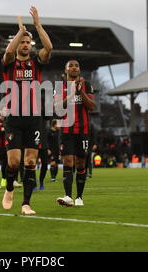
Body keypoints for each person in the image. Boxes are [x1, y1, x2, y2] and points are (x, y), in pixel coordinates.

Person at [1, 6, 53, 215]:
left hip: (34, 118)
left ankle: (26, 204)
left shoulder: (36, 62)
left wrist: (37, 26)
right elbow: (8, 52)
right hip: (14, 117)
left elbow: (49, 48)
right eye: (22, 41)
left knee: (30, 162)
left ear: (31, 45)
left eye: (27, 42)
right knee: (13, 163)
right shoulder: (10, 62)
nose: (24, 44)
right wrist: (20, 31)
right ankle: (9, 188)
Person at [55, 60, 96, 207]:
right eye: (70, 66)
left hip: (83, 131)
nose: (74, 67)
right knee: (67, 162)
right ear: (65, 70)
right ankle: (67, 196)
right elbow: (57, 108)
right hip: (66, 131)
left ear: (79, 69)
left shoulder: (88, 85)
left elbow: (91, 106)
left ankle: (79, 197)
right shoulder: (60, 87)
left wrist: (81, 92)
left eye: (76, 65)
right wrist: (72, 94)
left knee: (80, 163)